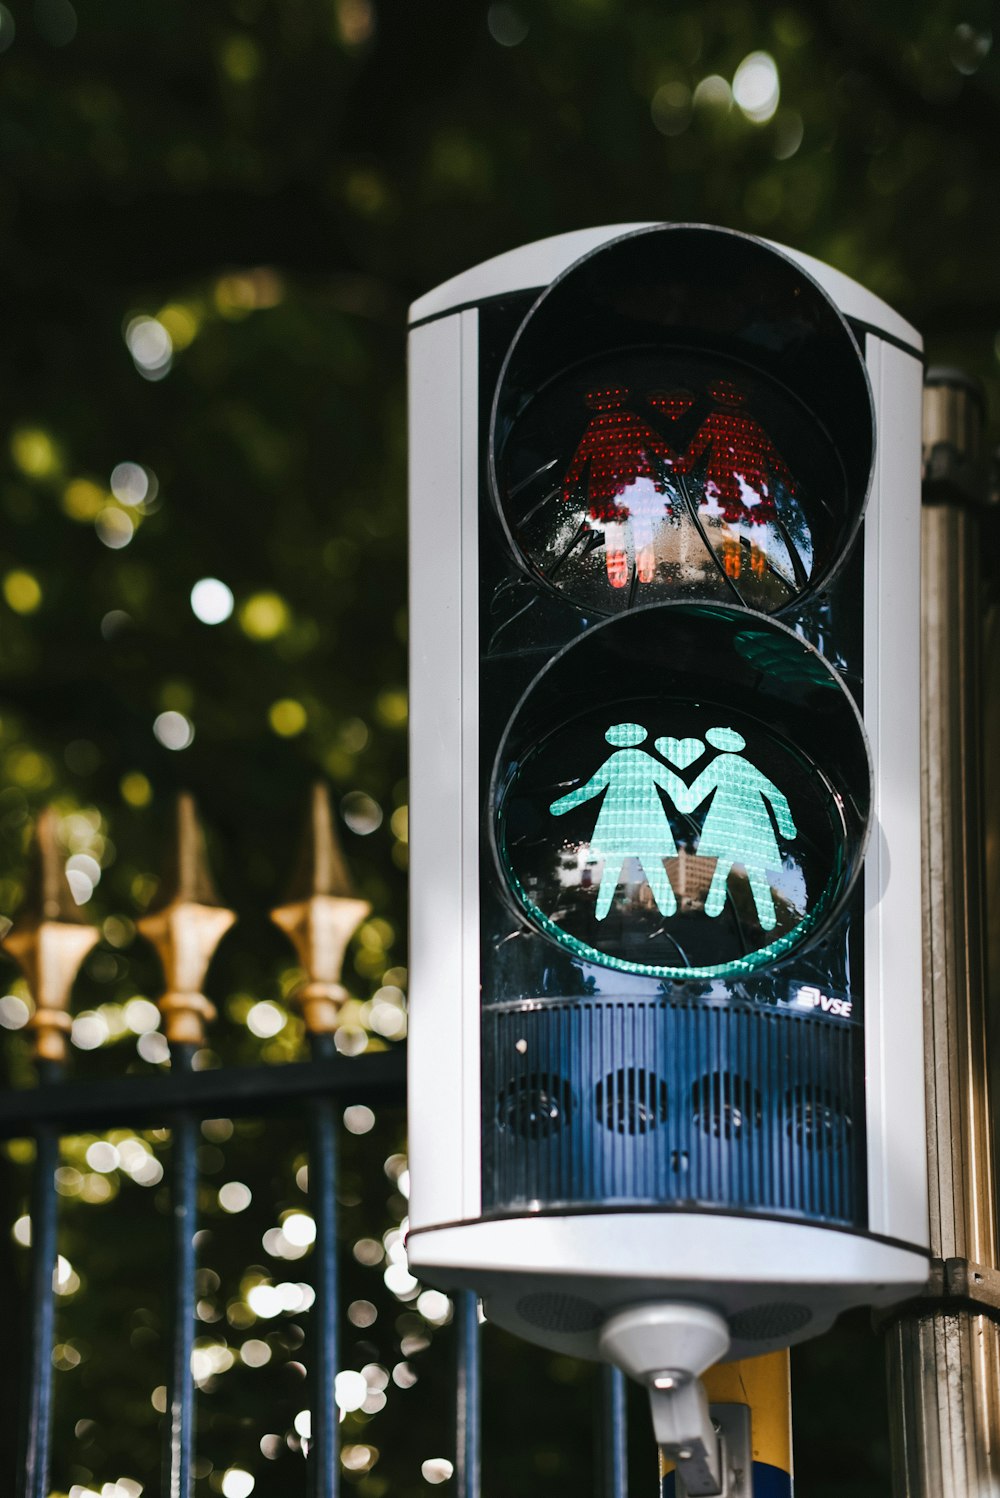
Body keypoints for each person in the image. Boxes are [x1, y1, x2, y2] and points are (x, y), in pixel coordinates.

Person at [549, 722, 687, 919]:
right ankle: (666, 907)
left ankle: (603, 911)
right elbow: (671, 781)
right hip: (643, 821)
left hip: (618, 821)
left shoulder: (620, 759)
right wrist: (686, 800)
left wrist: (562, 805)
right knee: (647, 862)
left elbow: (592, 788)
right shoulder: (640, 759)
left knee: (616, 864)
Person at [670, 725, 797, 930]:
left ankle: (715, 913)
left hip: (726, 824)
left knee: (723, 867)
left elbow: (698, 790)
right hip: (752, 825)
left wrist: (683, 803)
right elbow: (776, 795)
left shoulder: (721, 763)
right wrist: (786, 827)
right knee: (751, 870)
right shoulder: (745, 765)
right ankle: (764, 918)